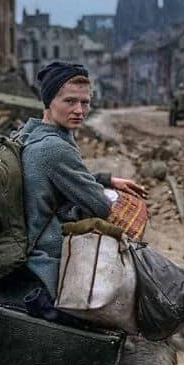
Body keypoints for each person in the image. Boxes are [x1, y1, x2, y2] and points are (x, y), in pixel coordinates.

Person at [20, 61, 146, 302]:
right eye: (70, 101)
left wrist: (106, 180)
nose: (79, 110)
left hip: (36, 239)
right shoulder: (55, 149)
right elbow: (100, 206)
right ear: (49, 102)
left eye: (85, 102)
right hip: (48, 254)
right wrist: (89, 198)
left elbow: (63, 178)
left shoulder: (33, 133)